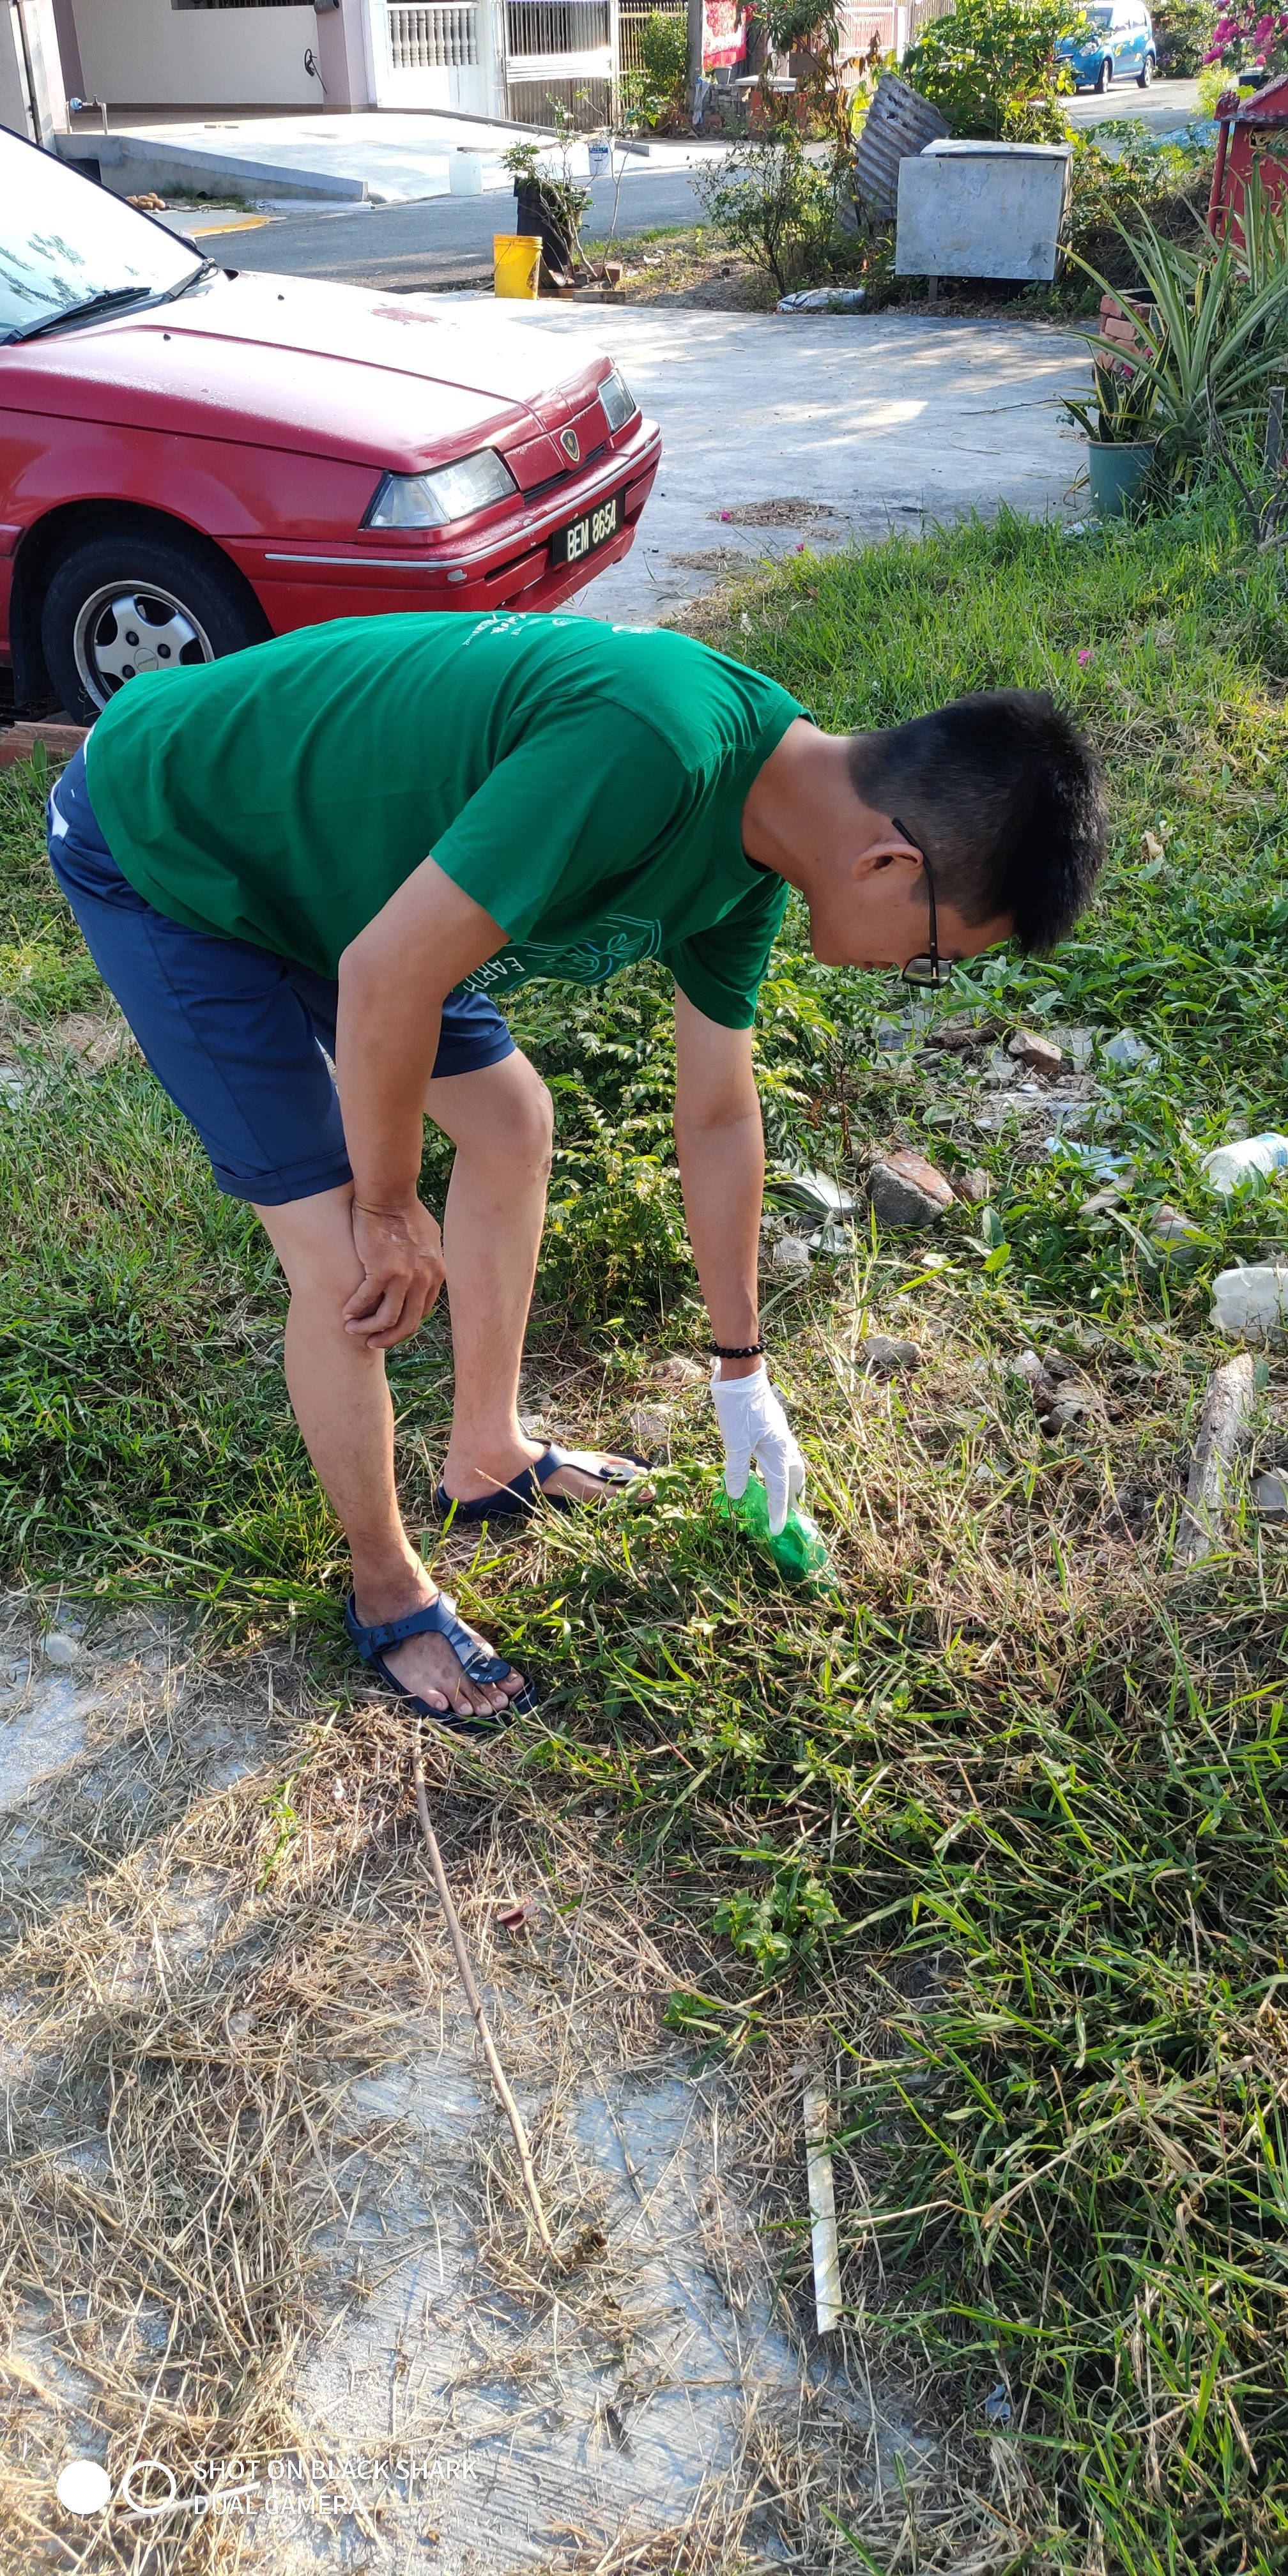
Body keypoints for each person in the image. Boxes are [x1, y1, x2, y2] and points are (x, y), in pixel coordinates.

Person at [46, 611, 1105, 1731]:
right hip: (171, 836)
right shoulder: (653, 743)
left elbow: (717, 1113)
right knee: (345, 1257)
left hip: (345, 890)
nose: (914, 972)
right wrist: (390, 1205)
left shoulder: (758, 855)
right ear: (890, 863)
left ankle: (486, 1456)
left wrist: (740, 1373)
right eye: (937, 955)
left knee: (510, 1123)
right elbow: (386, 977)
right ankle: (386, 1589)